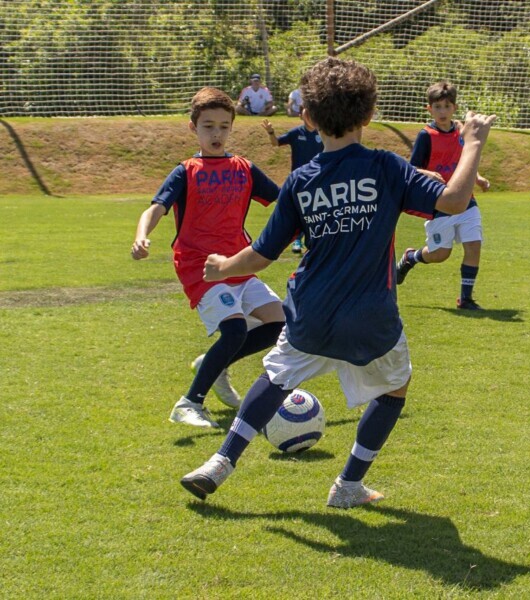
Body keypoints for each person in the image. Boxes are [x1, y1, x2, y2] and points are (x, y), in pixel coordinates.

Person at [180, 58, 495, 508]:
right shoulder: (386, 167)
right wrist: (473, 142)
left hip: (312, 310)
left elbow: (264, 254)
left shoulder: (301, 181)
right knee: (394, 388)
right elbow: (454, 199)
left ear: (308, 118)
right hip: (371, 315)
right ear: (368, 115)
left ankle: (220, 463)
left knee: (276, 376)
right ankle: (348, 485)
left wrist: (224, 267)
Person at [131, 86, 286, 428]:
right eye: (208, 126)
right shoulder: (186, 170)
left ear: (232, 126)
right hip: (199, 265)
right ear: (193, 128)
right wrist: (142, 237)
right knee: (233, 331)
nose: (216, 134)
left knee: (279, 324)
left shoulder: (244, 168)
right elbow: (156, 208)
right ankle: (189, 403)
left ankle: (211, 364)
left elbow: (284, 202)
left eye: (223, 126)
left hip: (240, 262)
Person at [395, 80, 491, 311]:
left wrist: (476, 178)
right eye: (437, 107)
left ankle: (465, 299)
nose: (442, 111)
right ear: (429, 109)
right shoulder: (426, 135)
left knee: (474, 245)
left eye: (447, 106)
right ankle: (411, 258)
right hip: (439, 201)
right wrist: (430, 174)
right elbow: (412, 168)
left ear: (454, 108)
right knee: (440, 254)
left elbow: (463, 161)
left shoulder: (461, 132)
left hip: (466, 200)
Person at [260, 116, 325, 253]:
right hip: (299, 181)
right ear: (303, 116)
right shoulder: (296, 133)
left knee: (318, 211)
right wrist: (271, 132)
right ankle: (297, 241)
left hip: (319, 179)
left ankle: (317, 240)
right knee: (299, 210)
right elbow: (276, 143)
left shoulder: (323, 133)